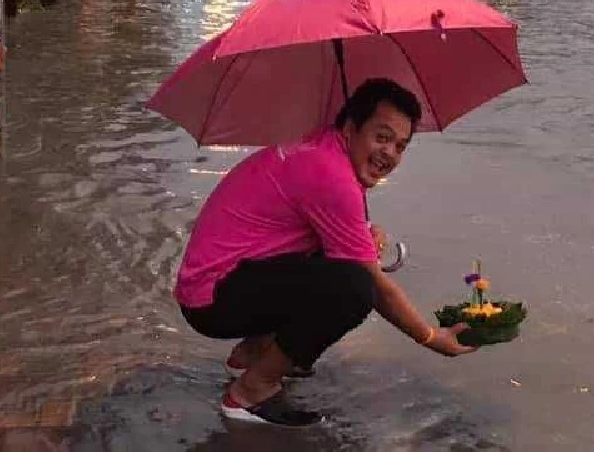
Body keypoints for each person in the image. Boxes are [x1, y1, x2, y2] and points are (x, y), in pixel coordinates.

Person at [175, 78, 476, 426]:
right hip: (211, 298)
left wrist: (362, 234)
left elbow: (327, 220)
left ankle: (251, 354)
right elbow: (376, 287)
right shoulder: (330, 174)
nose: (390, 154)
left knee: (343, 262)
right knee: (355, 288)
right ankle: (250, 392)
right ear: (350, 128)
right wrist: (431, 337)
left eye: (400, 146)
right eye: (381, 137)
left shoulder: (322, 149)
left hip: (220, 279)